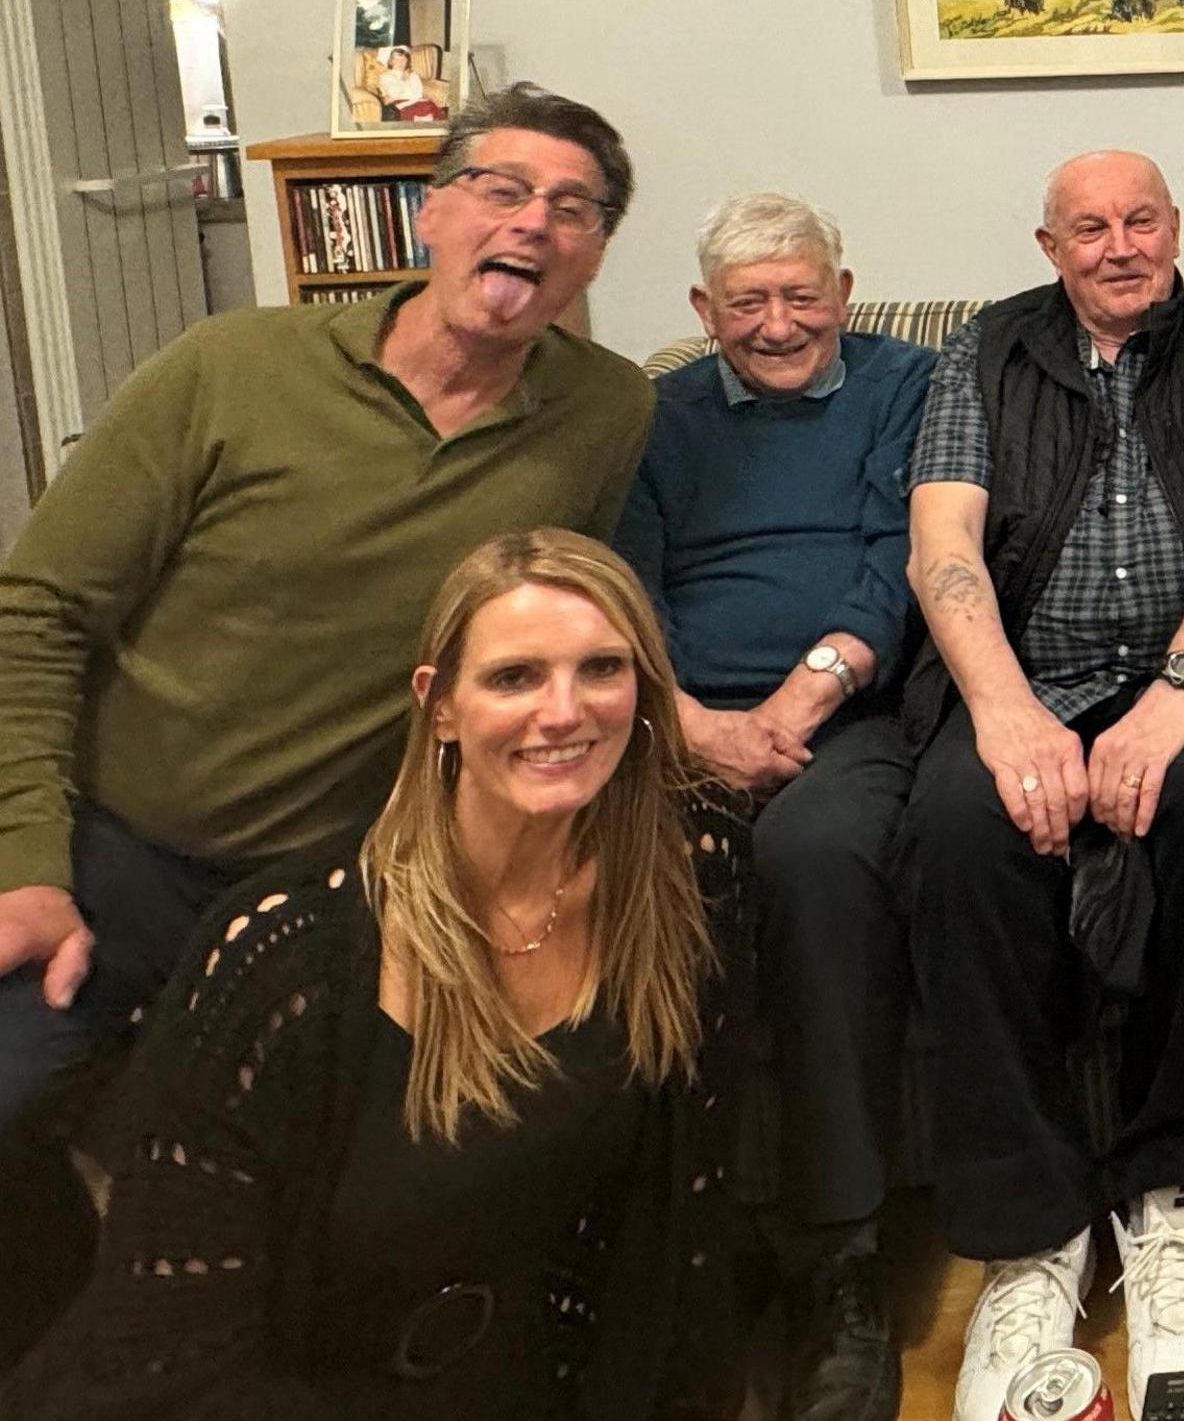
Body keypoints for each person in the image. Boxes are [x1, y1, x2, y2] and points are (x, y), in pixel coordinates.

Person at [0, 81, 649, 1359]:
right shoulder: (232, 366)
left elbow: (563, 631)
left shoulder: (605, 410)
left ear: (594, 257)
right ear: (432, 211)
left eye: (574, 210)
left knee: (349, 1177)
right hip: (113, 851)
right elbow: (32, 609)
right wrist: (25, 862)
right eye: (502, 189)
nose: (534, 224)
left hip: (337, 888)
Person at [2, 529, 752, 1418]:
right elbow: (173, 1351)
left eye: (602, 669)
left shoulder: (689, 872)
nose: (564, 711)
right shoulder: (285, 959)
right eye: (514, 677)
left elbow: (684, 1235)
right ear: (438, 705)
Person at [901, 149, 1184, 1421]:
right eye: (1091, 227)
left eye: (1141, 220)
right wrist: (1007, 709)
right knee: (957, 830)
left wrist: (1178, 693)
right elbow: (942, 544)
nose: (1119, 243)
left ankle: (1175, 1191)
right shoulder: (986, 351)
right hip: (1023, 669)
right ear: (1049, 245)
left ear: (1176, 227)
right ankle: (1030, 1234)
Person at [612, 191, 931, 1421]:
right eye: (748, 302)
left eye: (803, 295)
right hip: (679, 720)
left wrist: (795, 708)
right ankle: (675, 1257)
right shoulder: (656, 413)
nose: (780, 322)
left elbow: (900, 558)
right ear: (704, 313)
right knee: (640, 879)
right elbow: (623, 591)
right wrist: (694, 727)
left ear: (844, 293)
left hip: (848, 715)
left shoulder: (908, 381)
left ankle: (840, 1264)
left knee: (814, 857)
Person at [373, 46, 445, 122]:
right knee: (396, 113)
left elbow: (418, 94)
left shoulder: (413, 75)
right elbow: (393, 93)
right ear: (391, 61)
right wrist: (403, 80)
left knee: (430, 106)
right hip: (397, 106)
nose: (400, 63)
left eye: (403, 60)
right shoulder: (385, 76)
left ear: (407, 61)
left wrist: (401, 96)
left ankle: (420, 119)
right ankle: (421, 119)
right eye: (397, 59)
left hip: (414, 102)